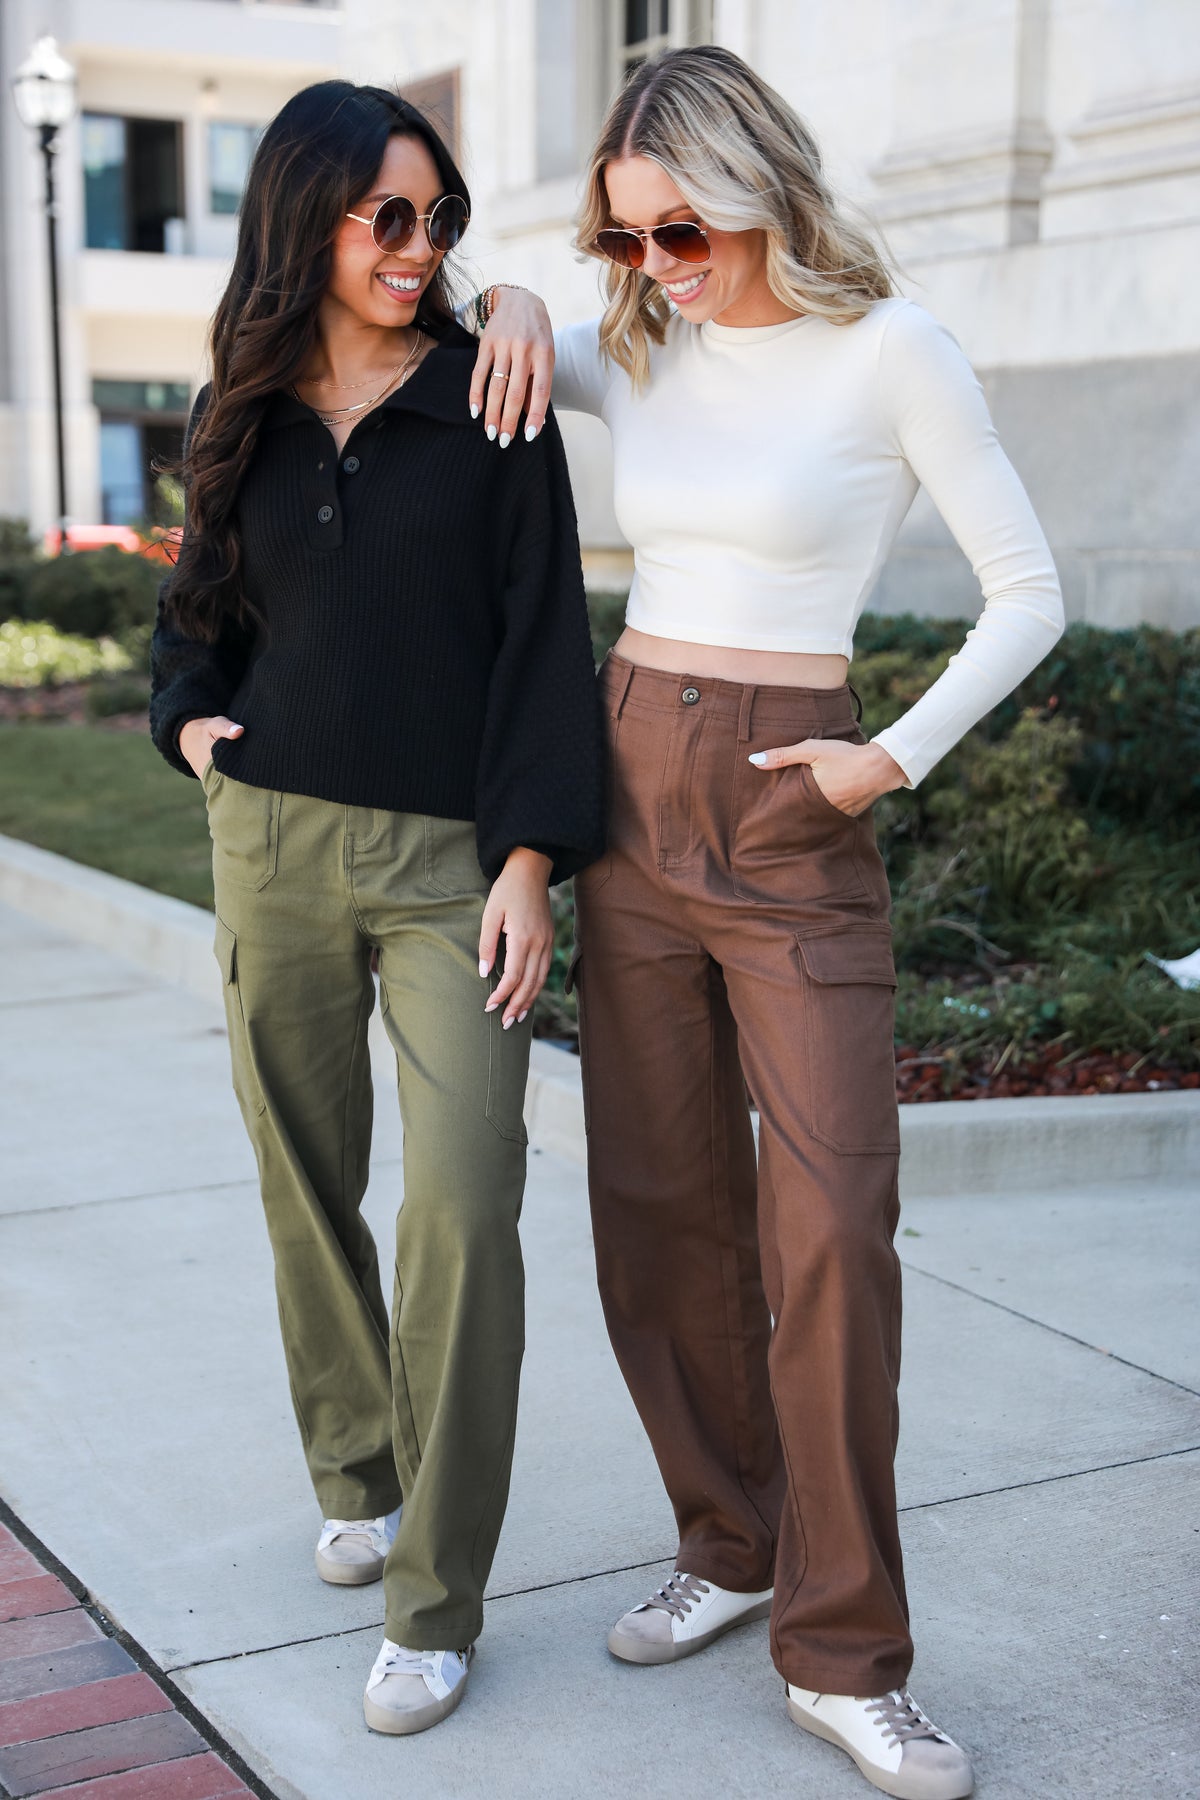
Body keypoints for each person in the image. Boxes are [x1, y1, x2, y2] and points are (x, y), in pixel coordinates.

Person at [466, 45, 1064, 1799]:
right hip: (630, 784)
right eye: (623, 236)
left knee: (832, 1236)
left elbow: (1028, 593)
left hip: (797, 806)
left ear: (763, 192)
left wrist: (888, 757)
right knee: (660, 1212)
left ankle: (848, 1653)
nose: (655, 265)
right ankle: (726, 1544)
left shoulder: (893, 351)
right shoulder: (641, 338)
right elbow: (492, 329)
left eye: (684, 230)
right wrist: (520, 290)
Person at [148, 80, 603, 1739]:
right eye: (386, 217)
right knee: (305, 1182)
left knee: (465, 1212)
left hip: (451, 874)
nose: (419, 248)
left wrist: (531, 862)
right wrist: (191, 723)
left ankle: (437, 1602)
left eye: (439, 219)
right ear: (307, 221)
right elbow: (197, 608)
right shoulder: (244, 408)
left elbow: (547, 641)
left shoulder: (494, 398)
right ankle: (358, 1471)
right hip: (269, 842)